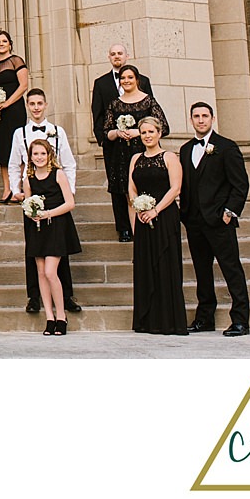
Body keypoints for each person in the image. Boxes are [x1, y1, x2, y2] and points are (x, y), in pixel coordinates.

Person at [7, 88, 82, 314]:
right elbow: (13, 164)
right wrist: (15, 190)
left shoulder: (57, 132)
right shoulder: (19, 133)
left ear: (45, 105)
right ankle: (34, 297)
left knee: (59, 252)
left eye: (40, 103)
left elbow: (68, 163)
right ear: (27, 106)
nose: (36, 107)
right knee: (35, 252)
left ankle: (66, 296)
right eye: (32, 104)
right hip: (31, 195)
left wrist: (69, 189)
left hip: (55, 196)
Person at [179, 101, 250, 336]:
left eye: (205, 116)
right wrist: (185, 215)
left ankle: (240, 320)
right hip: (194, 222)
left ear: (212, 119)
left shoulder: (227, 147)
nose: (201, 120)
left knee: (231, 270)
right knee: (202, 271)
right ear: (191, 120)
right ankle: (204, 318)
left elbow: (240, 185)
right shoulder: (186, 149)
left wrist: (229, 212)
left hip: (220, 221)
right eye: (196, 116)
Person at [127, 115, 186, 335]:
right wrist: (138, 209)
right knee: (146, 267)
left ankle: (169, 321)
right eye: (143, 133)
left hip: (165, 216)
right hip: (143, 218)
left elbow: (176, 188)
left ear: (159, 133)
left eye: (151, 131)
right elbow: (131, 188)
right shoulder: (135, 159)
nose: (147, 136)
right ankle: (147, 320)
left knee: (165, 265)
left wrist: (155, 210)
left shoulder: (169, 157)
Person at [95, 64, 166, 241]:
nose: (126, 81)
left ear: (137, 80)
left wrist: (138, 132)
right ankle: (138, 236)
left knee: (150, 192)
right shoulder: (115, 104)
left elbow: (164, 126)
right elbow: (106, 132)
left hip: (145, 153)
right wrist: (118, 133)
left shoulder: (148, 101)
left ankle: (154, 231)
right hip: (122, 156)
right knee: (130, 197)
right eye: (123, 78)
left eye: (130, 77)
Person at [90, 45, 154, 240]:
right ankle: (124, 227)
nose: (117, 56)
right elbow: (97, 113)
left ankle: (145, 221)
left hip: (140, 144)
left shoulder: (144, 81)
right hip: (114, 146)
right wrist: (104, 139)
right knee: (118, 187)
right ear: (109, 57)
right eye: (113, 54)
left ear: (127, 56)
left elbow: (152, 114)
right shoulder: (101, 83)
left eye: (120, 53)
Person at [20, 137, 80, 336]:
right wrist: (33, 214)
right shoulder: (28, 178)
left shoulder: (58, 174)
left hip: (56, 226)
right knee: (40, 273)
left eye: (42, 153)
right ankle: (49, 317)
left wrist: (48, 214)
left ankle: (61, 316)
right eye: (35, 154)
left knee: (50, 271)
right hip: (37, 229)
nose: (39, 157)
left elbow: (70, 203)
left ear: (49, 155)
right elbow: (27, 204)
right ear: (30, 156)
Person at [0, 31, 28, 202]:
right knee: (2, 148)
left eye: (4, 41)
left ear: (10, 44)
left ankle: (20, 187)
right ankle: (7, 188)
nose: (1, 44)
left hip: (14, 109)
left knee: (16, 146)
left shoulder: (16, 61)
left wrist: (8, 103)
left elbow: (23, 85)